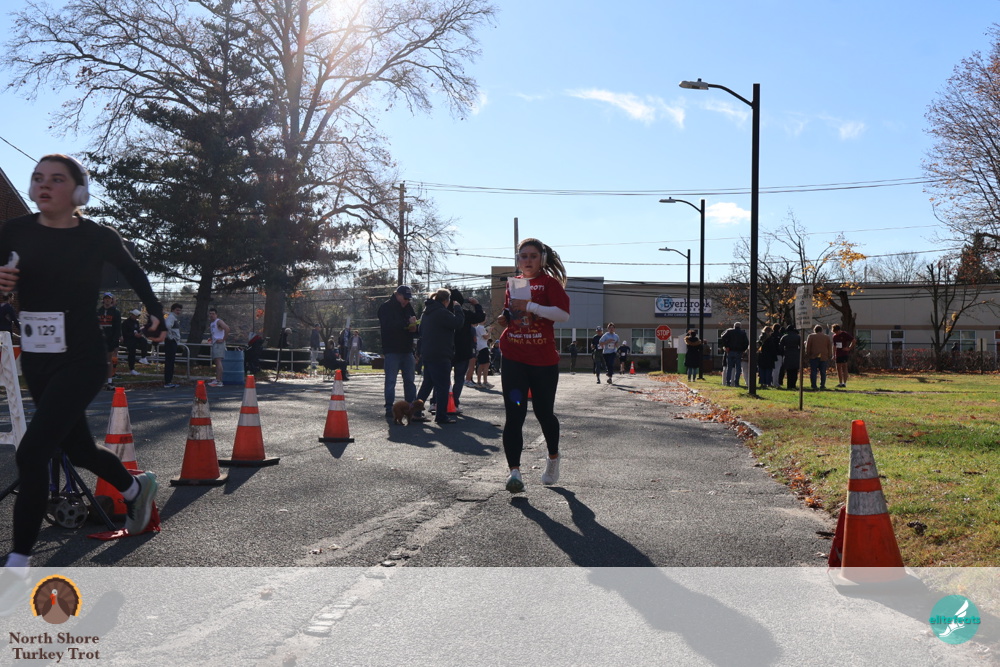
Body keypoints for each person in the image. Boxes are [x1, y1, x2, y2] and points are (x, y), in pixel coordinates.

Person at [0, 154, 162, 610]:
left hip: (83, 357)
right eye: (38, 178)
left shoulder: (97, 236)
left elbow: (134, 271)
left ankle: (17, 565)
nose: (44, 185)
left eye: (57, 179)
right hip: (38, 358)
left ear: (78, 191)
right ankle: (136, 490)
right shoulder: (13, 232)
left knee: (33, 452)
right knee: (79, 450)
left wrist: (155, 312)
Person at [498, 238, 570, 493]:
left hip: (543, 360)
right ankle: (514, 473)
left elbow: (562, 315)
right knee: (514, 416)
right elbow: (514, 314)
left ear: (542, 259)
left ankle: (553, 457)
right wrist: (506, 317)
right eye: (523, 256)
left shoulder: (549, 284)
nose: (527, 260)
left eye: (533, 256)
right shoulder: (514, 283)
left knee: (544, 413)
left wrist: (531, 306)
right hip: (513, 356)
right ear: (518, 260)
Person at [417, 288, 465, 424]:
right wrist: (458, 309)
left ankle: (415, 411)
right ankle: (441, 416)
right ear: (446, 300)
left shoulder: (426, 312)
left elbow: (420, 330)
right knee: (443, 386)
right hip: (441, 353)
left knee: (427, 384)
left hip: (428, 352)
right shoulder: (442, 312)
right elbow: (458, 323)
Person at [377, 285, 418, 417]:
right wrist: (407, 323)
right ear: (397, 295)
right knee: (390, 381)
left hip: (407, 349)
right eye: (405, 298)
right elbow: (388, 325)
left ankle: (411, 407)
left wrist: (414, 327)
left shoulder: (408, 307)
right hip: (392, 349)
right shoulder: (386, 307)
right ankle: (389, 408)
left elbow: (413, 324)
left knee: (410, 380)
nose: (407, 301)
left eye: (409, 298)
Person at [449, 289, 485, 410]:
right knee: (459, 378)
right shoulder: (465, 314)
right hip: (463, 350)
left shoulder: (443, 313)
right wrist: (476, 304)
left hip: (446, 350)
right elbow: (480, 317)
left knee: (442, 379)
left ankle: (436, 402)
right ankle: (454, 403)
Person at [97, 292, 121, 390]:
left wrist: (115, 340)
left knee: (109, 360)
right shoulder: (99, 311)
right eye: (105, 298)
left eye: (109, 298)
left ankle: (110, 382)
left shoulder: (115, 312)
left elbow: (117, 327)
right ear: (103, 300)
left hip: (110, 339)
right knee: (98, 360)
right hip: (99, 339)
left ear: (112, 300)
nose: (107, 300)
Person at [720, 321, 749, 387]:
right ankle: (736, 382)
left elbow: (723, 337)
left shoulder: (729, 331)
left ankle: (728, 382)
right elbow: (746, 343)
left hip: (730, 351)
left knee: (729, 367)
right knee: (738, 368)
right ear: (740, 326)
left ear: (734, 326)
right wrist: (742, 350)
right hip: (738, 351)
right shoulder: (743, 333)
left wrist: (726, 346)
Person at [805, 324, 834, 390]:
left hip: (813, 356)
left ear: (815, 330)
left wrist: (808, 354)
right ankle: (822, 385)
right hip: (824, 356)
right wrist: (829, 355)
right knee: (823, 372)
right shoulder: (826, 337)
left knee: (813, 371)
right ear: (821, 330)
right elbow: (829, 347)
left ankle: (814, 385)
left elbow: (808, 346)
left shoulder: (811, 336)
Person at [122, 308, 150, 375]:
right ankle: (132, 369)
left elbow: (137, 329)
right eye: (136, 316)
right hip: (129, 339)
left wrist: (140, 333)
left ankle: (143, 357)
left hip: (135, 338)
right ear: (132, 315)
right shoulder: (126, 322)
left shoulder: (136, 322)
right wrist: (134, 334)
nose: (137, 317)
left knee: (144, 341)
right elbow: (124, 332)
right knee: (132, 351)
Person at [207, 307, 229, 387]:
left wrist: (223, 339)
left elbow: (227, 328)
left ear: (216, 315)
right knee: (216, 362)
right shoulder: (212, 323)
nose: (211, 315)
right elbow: (215, 333)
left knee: (218, 361)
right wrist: (211, 340)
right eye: (210, 314)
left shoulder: (218, 321)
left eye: (213, 314)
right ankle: (217, 379)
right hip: (215, 343)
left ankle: (219, 381)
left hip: (219, 344)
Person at [163, 302, 182, 388]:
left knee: (170, 361)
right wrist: (171, 337)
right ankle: (168, 381)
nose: (178, 312)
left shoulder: (172, 317)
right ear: (173, 310)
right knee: (170, 361)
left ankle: (169, 381)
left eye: (180, 310)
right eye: (177, 310)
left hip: (171, 341)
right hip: (171, 342)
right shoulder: (171, 317)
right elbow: (167, 326)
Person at [831, 324, 856, 388]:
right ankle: (840, 382)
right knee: (838, 368)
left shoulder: (844, 334)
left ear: (839, 330)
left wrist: (849, 348)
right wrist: (833, 355)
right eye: (834, 332)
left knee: (844, 367)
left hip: (844, 353)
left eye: (836, 332)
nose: (836, 333)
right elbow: (834, 346)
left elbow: (853, 340)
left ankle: (844, 383)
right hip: (838, 354)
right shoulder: (834, 336)